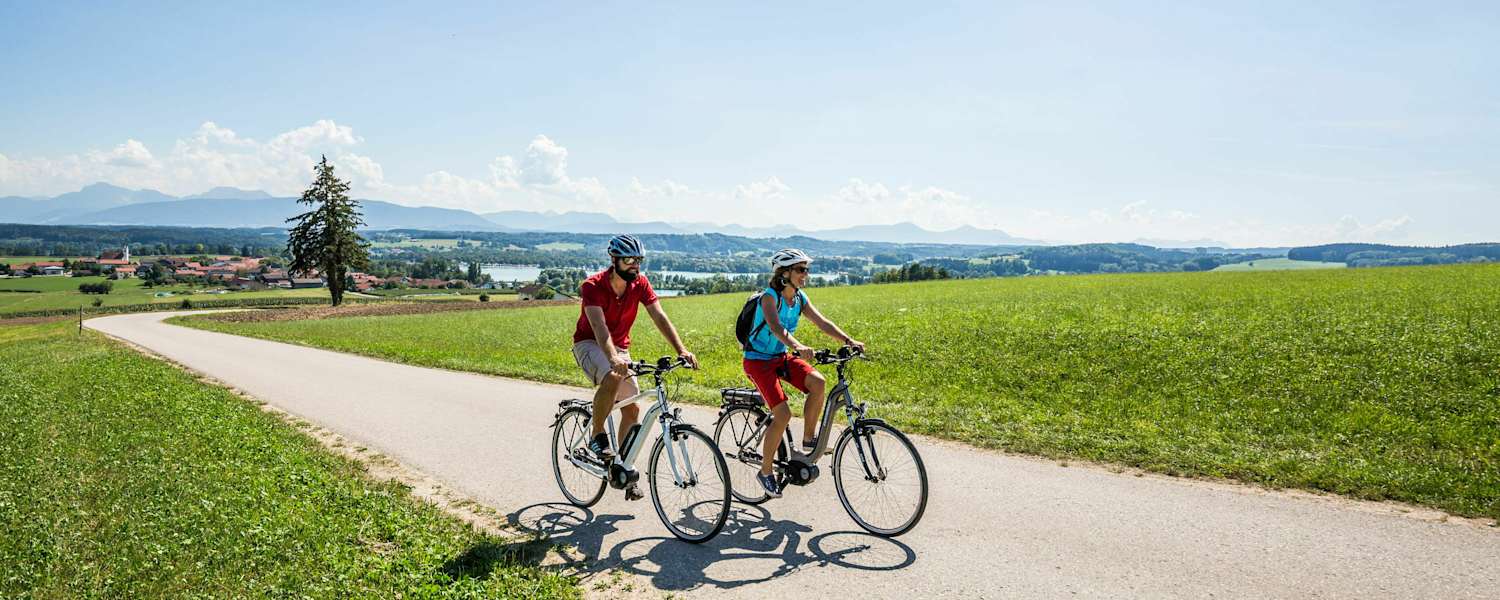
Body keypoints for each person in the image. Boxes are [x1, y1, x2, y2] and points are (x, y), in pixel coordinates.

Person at [572, 234, 698, 500]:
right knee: (612, 376)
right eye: (629, 260)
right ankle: (597, 435)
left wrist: (682, 350)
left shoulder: (640, 284)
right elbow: (598, 327)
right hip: (590, 344)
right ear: (614, 259)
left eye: (639, 260)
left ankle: (622, 467)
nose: (635, 265)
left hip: (619, 349)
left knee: (632, 409)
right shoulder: (593, 286)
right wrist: (613, 358)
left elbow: (659, 316)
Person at [742, 248, 864, 498]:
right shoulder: (769, 298)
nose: (805, 274)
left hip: (779, 358)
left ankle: (809, 439)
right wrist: (797, 346)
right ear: (784, 273)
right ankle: (765, 472)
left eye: (806, 269)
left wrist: (848, 340)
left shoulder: (799, 298)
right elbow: (776, 328)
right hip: (757, 361)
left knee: (818, 382)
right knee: (783, 414)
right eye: (800, 269)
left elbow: (822, 322)